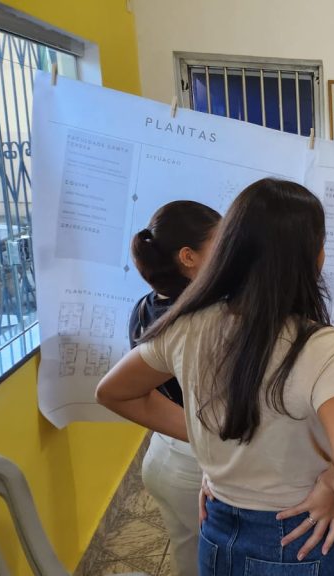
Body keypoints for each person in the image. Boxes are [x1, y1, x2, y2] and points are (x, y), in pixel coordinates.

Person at [97, 178, 334, 575]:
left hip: (218, 528)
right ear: (313, 256)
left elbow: (113, 392)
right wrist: (331, 484)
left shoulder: (185, 326)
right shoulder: (324, 348)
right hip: (301, 533)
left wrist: (207, 437)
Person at [128, 200, 220, 576]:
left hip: (162, 455)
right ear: (188, 257)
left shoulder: (146, 306)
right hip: (196, 465)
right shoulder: (200, 320)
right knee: (217, 559)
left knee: (188, 553)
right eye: (221, 243)